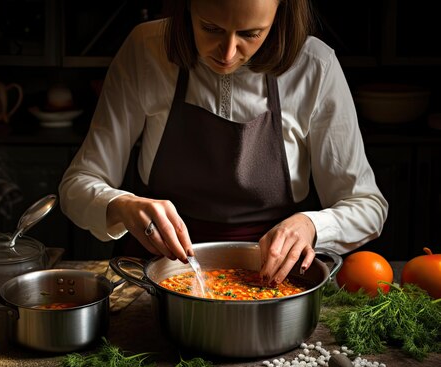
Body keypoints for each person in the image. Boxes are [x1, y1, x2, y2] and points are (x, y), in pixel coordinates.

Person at [58, 0, 388, 284]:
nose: (228, 53)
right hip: (153, 276)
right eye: (211, 28)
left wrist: (311, 225)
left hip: (271, 281)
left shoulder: (315, 66)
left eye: (250, 33)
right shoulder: (146, 49)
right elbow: (76, 186)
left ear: (280, 13)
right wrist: (122, 205)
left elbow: (368, 207)